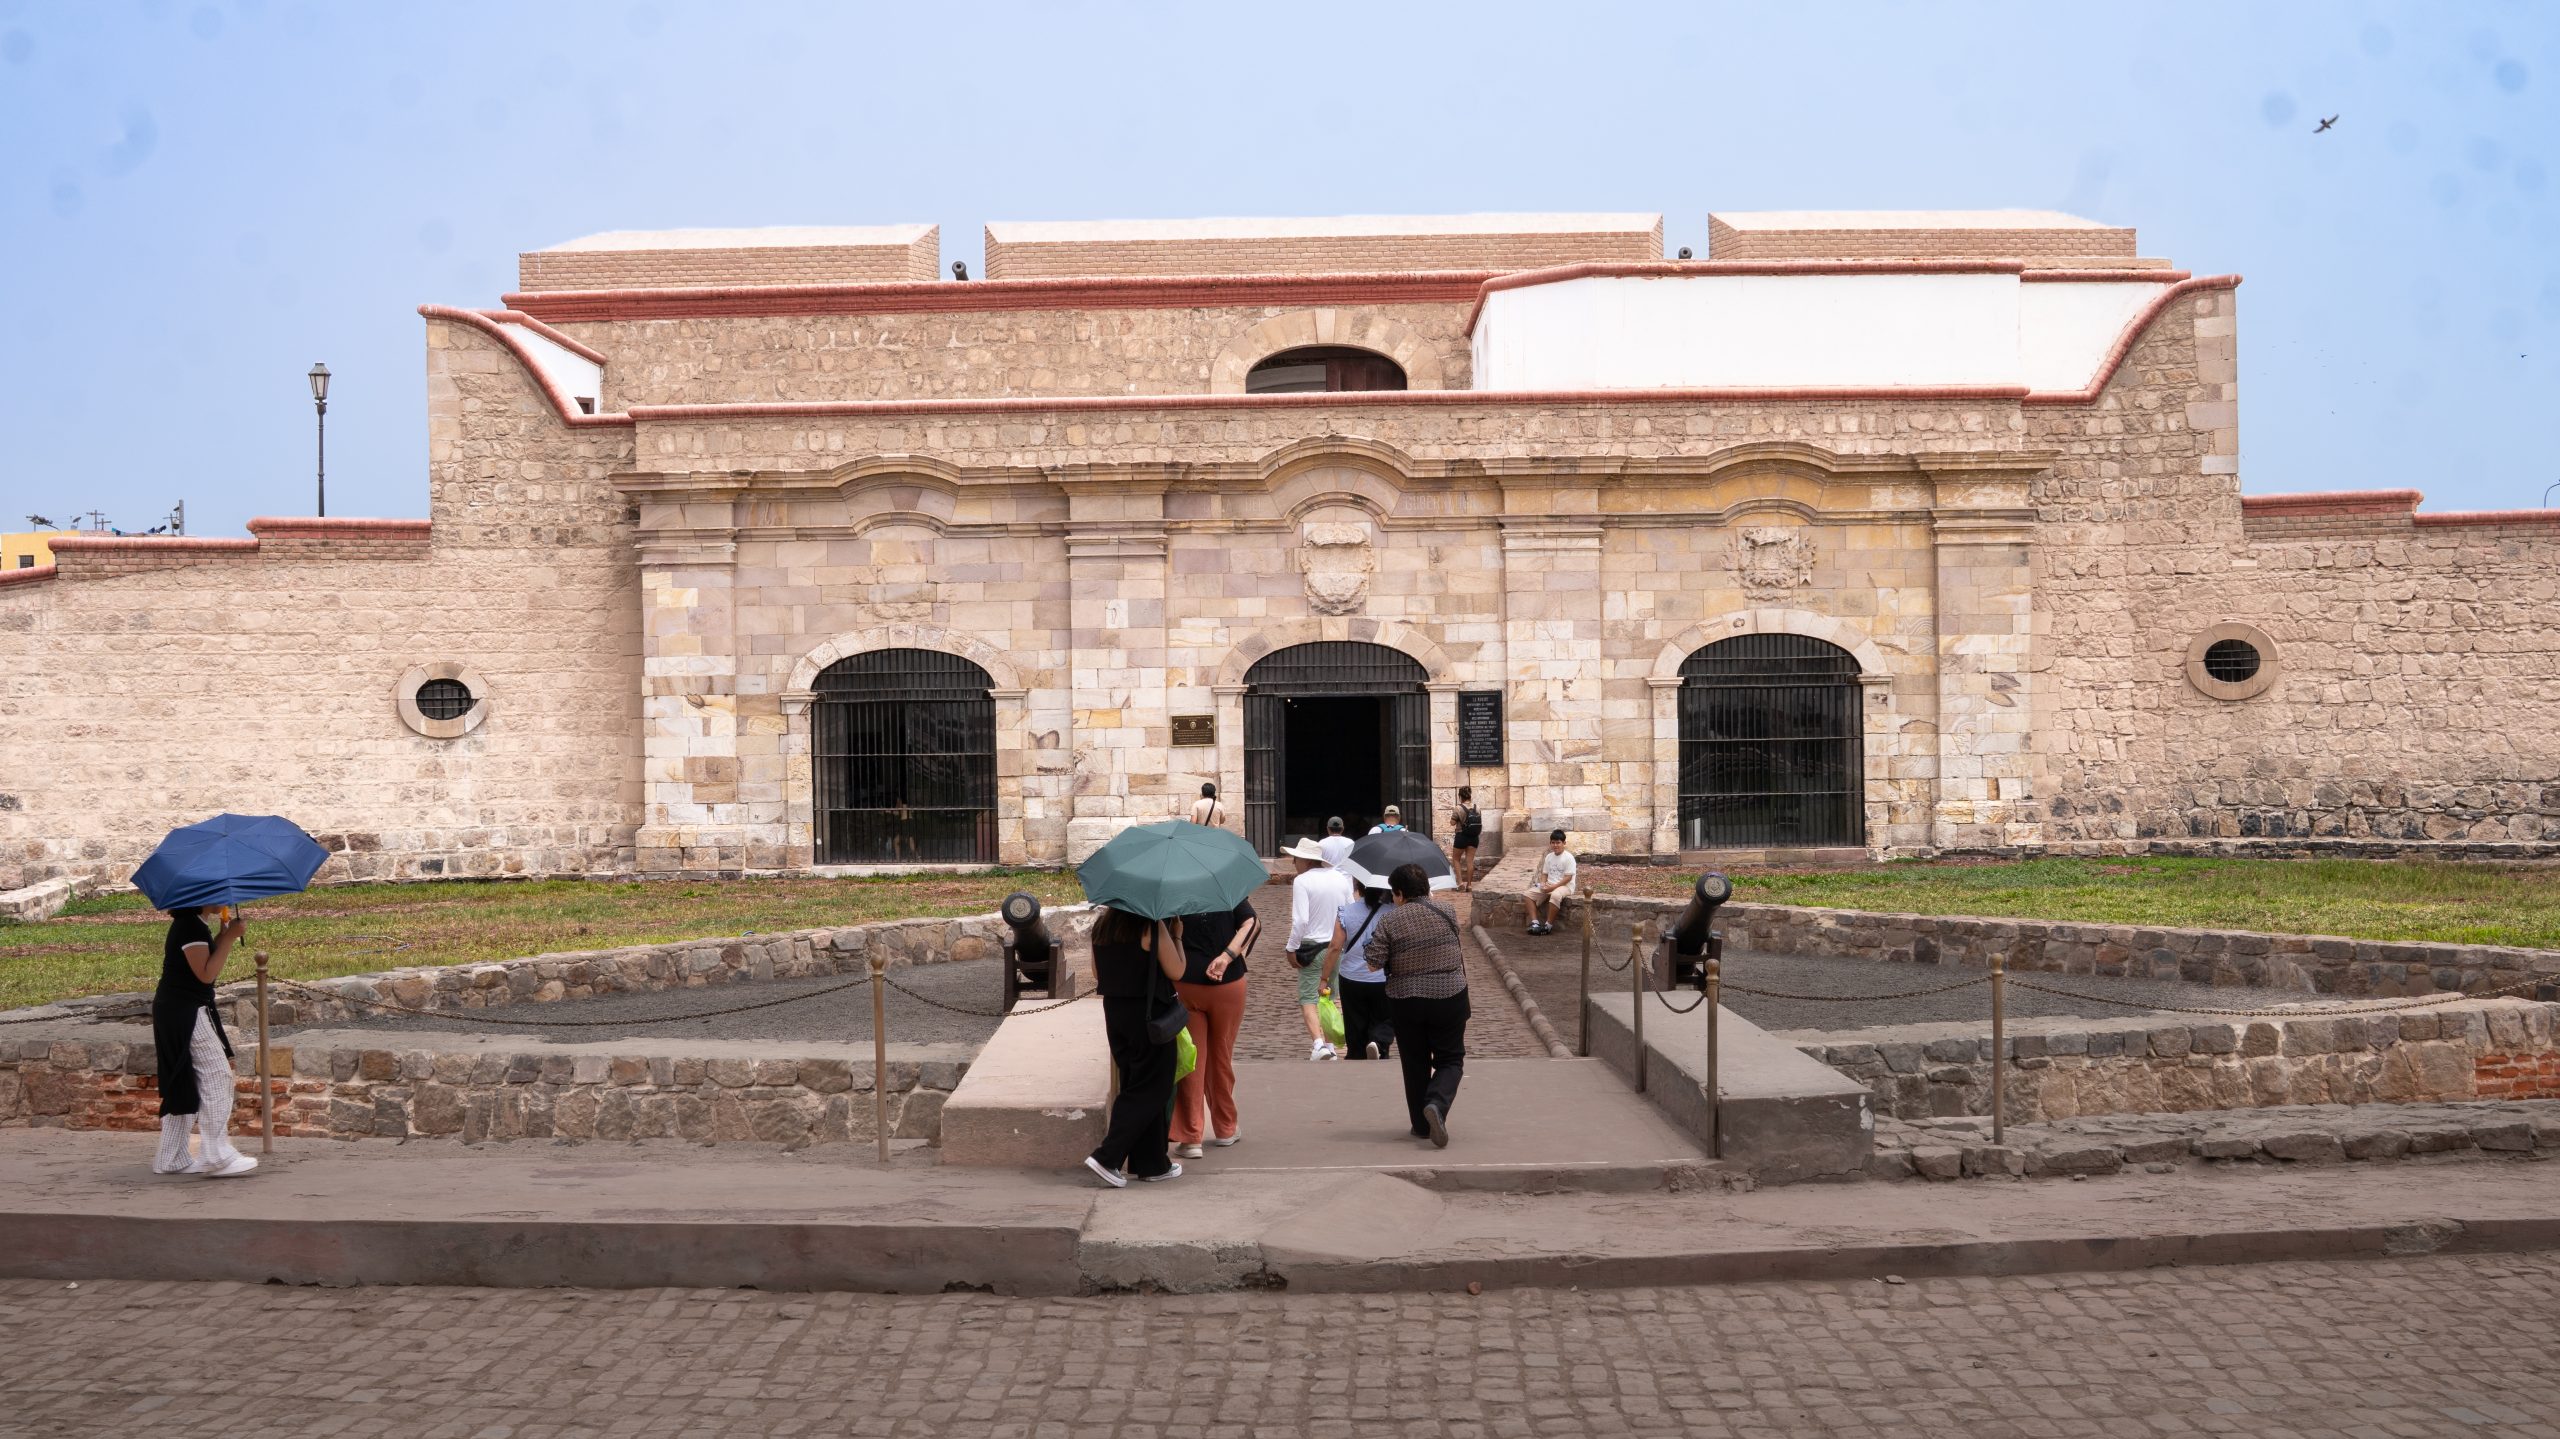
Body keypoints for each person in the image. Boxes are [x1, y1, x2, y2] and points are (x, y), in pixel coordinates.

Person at [1083, 905, 1188, 1187]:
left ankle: (1152, 1163)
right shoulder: (1150, 926)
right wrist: (1177, 935)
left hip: (1116, 1013)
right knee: (1154, 1087)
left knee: (1136, 1083)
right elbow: (1177, 970)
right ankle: (1107, 1157)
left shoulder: (1102, 927)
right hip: (1148, 1014)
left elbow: (1096, 972)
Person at [1365, 862, 1468, 1148]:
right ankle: (1437, 1102)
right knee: (1450, 1059)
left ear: (1399, 893)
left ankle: (1421, 1127)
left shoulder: (1389, 921)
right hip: (1449, 994)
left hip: (1406, 999)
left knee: (1415, 1063)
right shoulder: (1447, 911)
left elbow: (1373, 964)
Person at [153, 903, 257, 1178]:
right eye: (219, 892)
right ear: (203, 897)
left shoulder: (195, 925)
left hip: (179, 1008)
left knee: (184, 1081)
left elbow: (204, 967)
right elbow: (206, 974)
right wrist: (231, 938)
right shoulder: (189, 927)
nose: (225, 898)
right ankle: (216, 1155)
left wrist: (223, 936)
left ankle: (171, 1157)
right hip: (184, 1011)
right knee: (217, 1076)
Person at [1170, 892, 1258, 1159]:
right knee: (1222, 1055)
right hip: (1229, 983)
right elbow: (1250, 922)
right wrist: (1227, 956)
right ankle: (1225, 1127)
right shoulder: (1224, 888)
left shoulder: (1174, 894)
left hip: (1187, 981)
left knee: (1191, 1060)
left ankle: (1191, 1136)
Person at [1280, 837, 1354, 1061]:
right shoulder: (1340, 879)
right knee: (1328, 996)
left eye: (1296, 859)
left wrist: (1291, 948)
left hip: (1312, 946)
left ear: (1305, 860)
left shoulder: (1303, 881)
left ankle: (1318, 1043)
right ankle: (1330, 1045)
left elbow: (1301, 920)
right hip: (1336, 946)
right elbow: (1350, 911)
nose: (1294, 863)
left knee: (1308, 998)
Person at [1323, 872, 1395, 1060]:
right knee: (1384, 1017)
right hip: (1382, 977)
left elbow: (1334, 947)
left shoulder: (1346, 912)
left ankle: (1356, 1054)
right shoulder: (1393, 912)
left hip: (1352, 978)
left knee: (1354, 1022)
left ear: (1358, 887)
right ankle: (1378, 1043)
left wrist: (1324, 978)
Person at [1528, 829, 1578, 935]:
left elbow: (1568, 878)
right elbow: (1544, 874)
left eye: (1558, 842)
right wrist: (1542, 884)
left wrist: (1552, 888)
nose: (1555, 845)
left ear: (1564, 843)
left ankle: (1548, 926)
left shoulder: (1569, 858)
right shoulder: (1549, 857)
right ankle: (1535, 923)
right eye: (1553, 842)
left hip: (1565, 886)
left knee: (1555, 895)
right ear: (1550, 843)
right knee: (1528, 894)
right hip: (1549, 884)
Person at [1449, 787, 1484, 892]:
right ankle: (1469, 885)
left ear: (1460, 797)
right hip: (1474, 837)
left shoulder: (1458, 808)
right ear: (1470, 796)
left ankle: (1460, 884)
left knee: (1456, 859)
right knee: (1470, 861)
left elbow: (1452, 823)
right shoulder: (1477, 808)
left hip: (1461, 836)